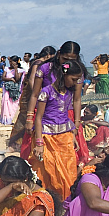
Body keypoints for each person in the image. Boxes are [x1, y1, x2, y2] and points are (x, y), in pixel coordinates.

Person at [29, 59, 84, 202]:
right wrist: (39, 143)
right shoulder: (46, 92)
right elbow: (39, 118)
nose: (75, 83)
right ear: (64, 75)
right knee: (47, 172)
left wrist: (72, 135)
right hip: (47, 138)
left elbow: (66, 115)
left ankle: (64, 202)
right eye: (73, 79)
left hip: (64, 136)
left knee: (68, 172)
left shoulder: (69, 93)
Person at [23, 41, 84, 159]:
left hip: (67, 117)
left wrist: (76, 124)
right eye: (65, 58)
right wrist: (30, 117)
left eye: (72, 60)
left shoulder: (77, 73)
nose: (67, 62)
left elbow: (77, 99)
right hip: (44, 114)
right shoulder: (46, 69)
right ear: (59, 54)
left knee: (69, 155)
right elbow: (35, 94)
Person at [7, 46, 56, 151]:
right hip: (31, 96)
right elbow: (31, 81)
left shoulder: (38, 63)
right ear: (48, 55)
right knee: (24, 118)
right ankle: (15, 142)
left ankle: (21, 143)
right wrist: (38, 93)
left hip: (31, 95)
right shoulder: (38, 63)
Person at [0, 56, 23, 125]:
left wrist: (16, 69)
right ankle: (6, 119)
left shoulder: (20, 70)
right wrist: (10, 79)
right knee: (6, 103)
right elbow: (3, 78)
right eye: (10, 62)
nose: (11, 63)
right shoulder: (7, 69)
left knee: (14, 104)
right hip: (7, 89)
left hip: (15, 90)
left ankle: (12, 119)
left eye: (13, 62)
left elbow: (17, 79)